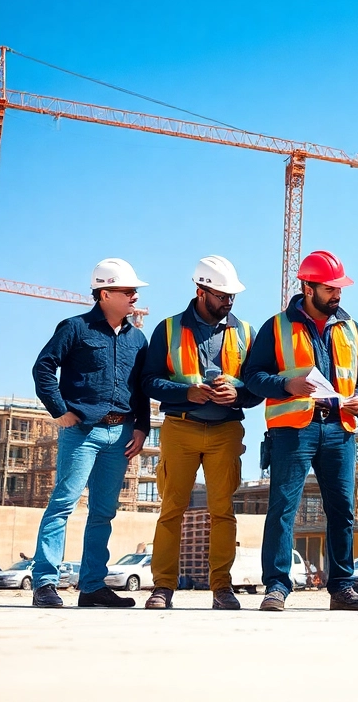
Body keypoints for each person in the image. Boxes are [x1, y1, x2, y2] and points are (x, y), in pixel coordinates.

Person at [243, 250, 358, 612]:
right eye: (330, 288)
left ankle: (341, 587)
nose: (337, 295)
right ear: (307, 287)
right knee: (283, 508)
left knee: (343, 509)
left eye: (340, 289)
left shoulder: (352, 328)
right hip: (293, 429)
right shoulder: (276, 327)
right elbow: (253, 377)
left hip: (340, 427)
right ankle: (276, 585)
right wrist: (287, 385)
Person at [142, 256, 262, 611]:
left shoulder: (245, 333)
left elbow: (256, 388)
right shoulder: (167, 329)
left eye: (231, 296)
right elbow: (148, 382)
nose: (228, 301)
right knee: (171, 509)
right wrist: (186, 392)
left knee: (223, 511)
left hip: (226, 430)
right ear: (200, 291)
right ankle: (162, 587)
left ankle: (222, 588)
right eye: (221, 295)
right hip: (180, 427)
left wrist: (238, 393)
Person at [29, 258, 151, 608]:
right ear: (105, 293)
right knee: (63, 504)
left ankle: (93, 586)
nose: (134, 297)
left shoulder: (137, 339)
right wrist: (60, 410)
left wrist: (141, 427)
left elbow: (140, 388)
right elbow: (43, 368)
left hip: (121, 435)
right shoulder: (75, 328)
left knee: (103, 511)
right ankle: (45, 583)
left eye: (134, 292)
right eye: (128, 291)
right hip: (82, 431)